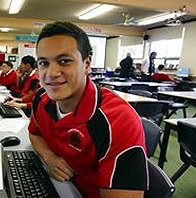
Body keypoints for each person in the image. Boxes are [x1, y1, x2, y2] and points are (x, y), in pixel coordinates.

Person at [28, 21, 148, 198]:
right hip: (58, 186)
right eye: (44, 63)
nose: (51, 73)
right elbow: (34, 133)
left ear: (86, 64)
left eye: (64, 61)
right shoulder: (41, 98)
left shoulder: (117, 120)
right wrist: (50, 158)